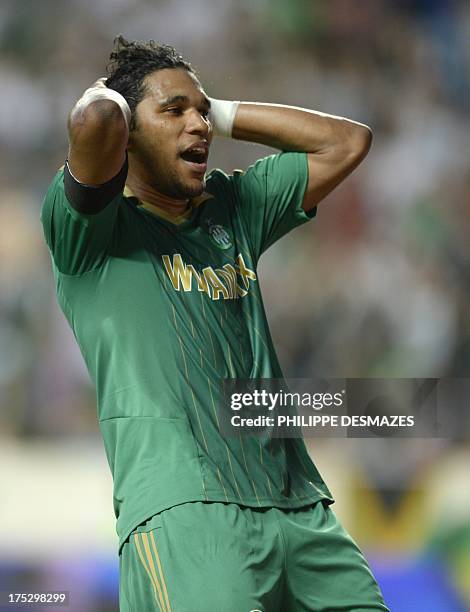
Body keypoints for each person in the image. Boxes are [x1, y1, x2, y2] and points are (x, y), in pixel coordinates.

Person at [41, 36, 388, 612]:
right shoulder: (90, 235)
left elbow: (347, 142)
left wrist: (215, 112)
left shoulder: (232, 209)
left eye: (202, 110)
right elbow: (95, 122)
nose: (197, 124)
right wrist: (115, 107)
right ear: (129, 131)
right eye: (173, 111)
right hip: (185, 510)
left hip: (299, 507)